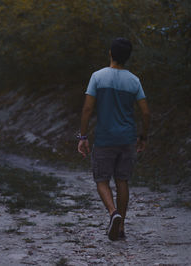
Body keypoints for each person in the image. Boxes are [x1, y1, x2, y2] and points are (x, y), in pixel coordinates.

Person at [77, 37, 151, 241]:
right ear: (128, 57)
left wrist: (83, 136)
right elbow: (145, 113)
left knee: (101, 179)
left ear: (110, 53)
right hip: (127, 138)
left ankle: (113, 213)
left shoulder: (97, 77)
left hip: (104, 138)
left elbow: (87, 108)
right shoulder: (134, 80)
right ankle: (121, 227)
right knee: (122, 180)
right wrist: (143, 136)